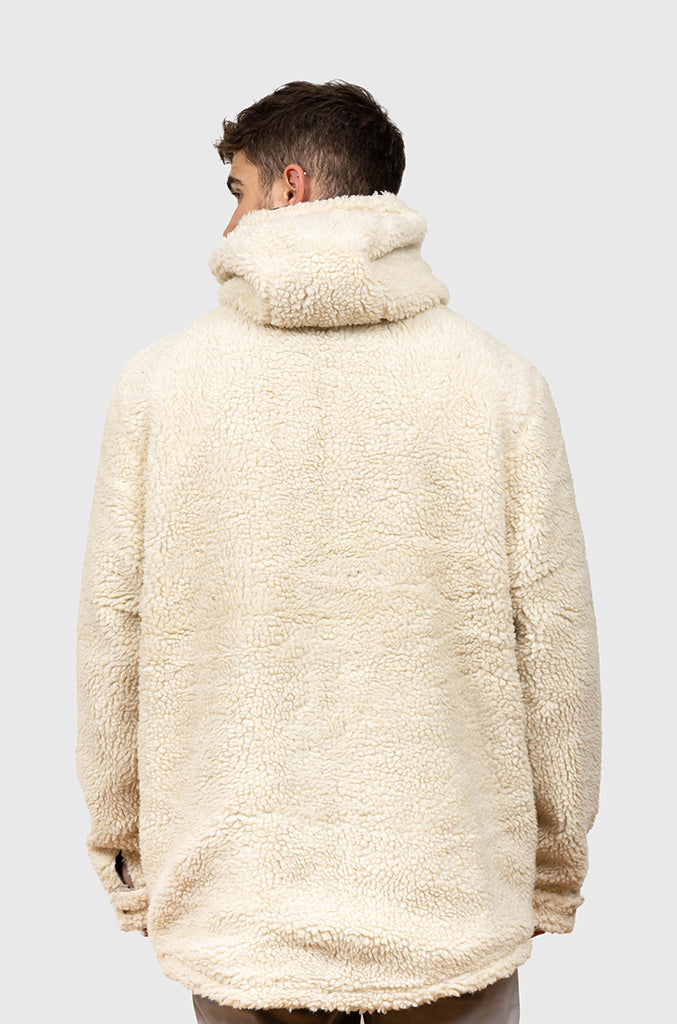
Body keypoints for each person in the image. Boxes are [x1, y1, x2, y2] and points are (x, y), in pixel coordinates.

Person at [75, 80, 602, 1024]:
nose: (227, 225)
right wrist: (551, 872)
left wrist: (128, 861)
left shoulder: (160, 385)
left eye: (237, 191)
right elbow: (554, 647)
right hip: (449, 904)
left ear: (292, 186)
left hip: (237, 908)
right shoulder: (497, 385)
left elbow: (115, 638)